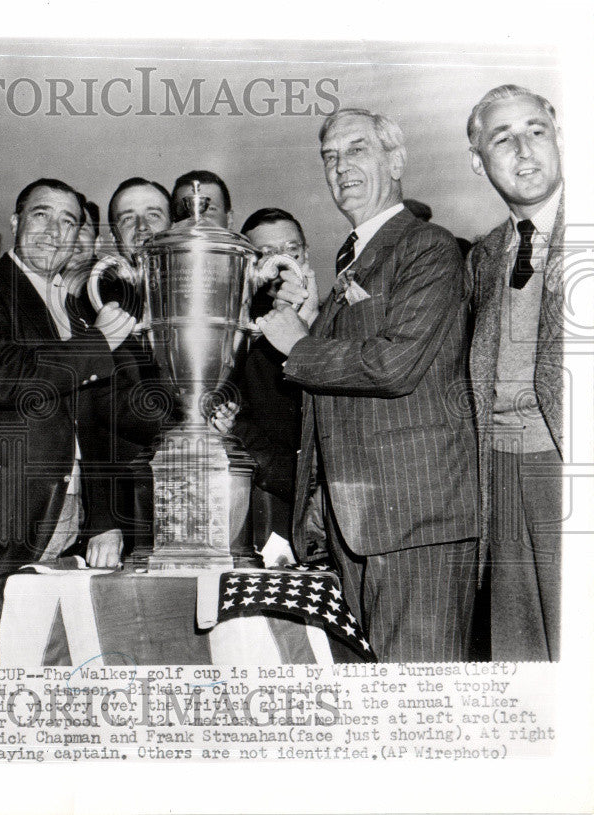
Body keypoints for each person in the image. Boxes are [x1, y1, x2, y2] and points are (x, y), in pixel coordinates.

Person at [257, 108, 479, 662]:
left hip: (414, 522)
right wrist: (312, 326)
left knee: (414, 707)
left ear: (396, 159)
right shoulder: (353, 258)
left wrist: (298, 344)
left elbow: (395, 365)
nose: (340, 166)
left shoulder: (428, 246)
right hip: (357, 527)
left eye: (356, 150)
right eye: (330, 157)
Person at [0, 179, 137, 648]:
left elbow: (97, 424)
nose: (54, 231)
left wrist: (103, 519)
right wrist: (97, 345)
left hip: (66, 525)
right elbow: (7, 377)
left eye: (68, 221)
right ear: (15, 222)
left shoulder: (75, 309)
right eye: (41, 215)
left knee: (31, 669)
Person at [466, 85, 564, 661]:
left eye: (536, 131)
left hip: (566, 464)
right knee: (518, 654)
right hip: (498, 470)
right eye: (503, 139)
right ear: (478, 161)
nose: (525, 150)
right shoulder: (482, 256)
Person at [217, 208, 318, 550]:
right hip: (271, 511)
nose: (280, 266)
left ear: (307, 255)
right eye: (264, 256)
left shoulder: (340, 323)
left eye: (292, 251)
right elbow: (234, 425)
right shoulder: (235, 341)